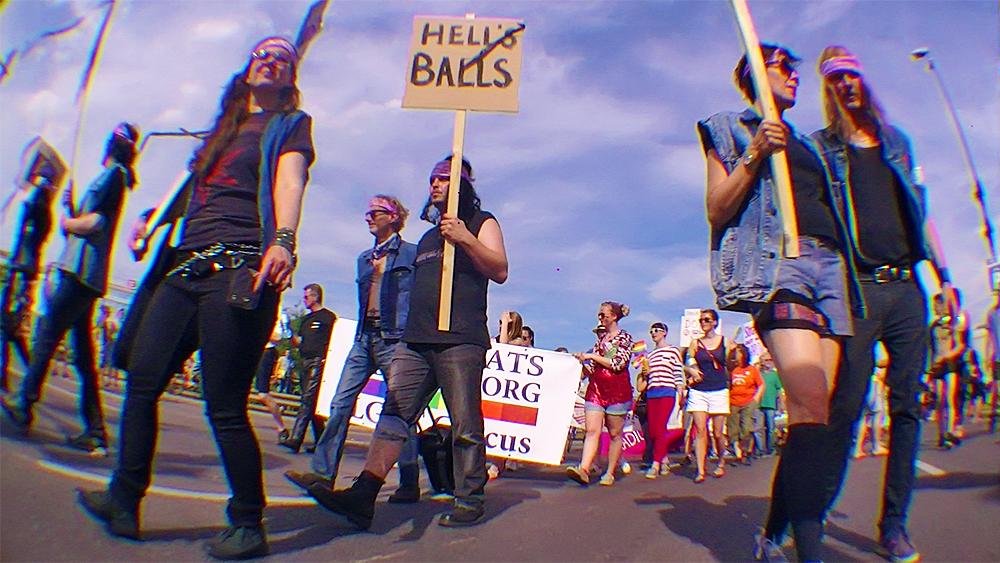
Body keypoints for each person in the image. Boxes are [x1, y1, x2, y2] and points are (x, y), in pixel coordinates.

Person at [76, 36, 314, 560]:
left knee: (224, 404)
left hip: (239, 268)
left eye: (283, 58)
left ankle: (248, 522)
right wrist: (150, 220)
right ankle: (123, 499)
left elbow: (289, 181)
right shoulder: (221, 131)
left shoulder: (288, 125)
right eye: (263, 53)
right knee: (143, 381)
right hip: (183, 268)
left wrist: (283, 240)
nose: (271, 60)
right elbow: (187, 192)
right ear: (247, 69)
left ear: (290, 79)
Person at [698, 43, 860, 562]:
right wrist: (754, 155)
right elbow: (717, 209)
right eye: (781, 66)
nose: (793, 74)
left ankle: (771, 535)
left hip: (830, 271)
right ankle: (809, 553)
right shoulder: (729, 128)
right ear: (753, 74)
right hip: (780, 265)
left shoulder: (812, 146)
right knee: (808, 403)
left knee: (819, 415)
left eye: (795, 67)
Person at [307, 155, 508, 529]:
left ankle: (469, 498)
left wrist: (465, 238)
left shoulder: (482, 222)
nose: (434, 184)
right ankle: (364, 493)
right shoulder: (429, 237)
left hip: (460, 339)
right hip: (416, 340)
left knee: (464, 421)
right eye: (432, 178)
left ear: (462, 184)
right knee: (394, 414)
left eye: (443, 178)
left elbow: (500, 269)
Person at [812, 45, 956, 563]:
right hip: (861, 288)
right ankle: (814, 510)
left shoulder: (897, 143)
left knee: (907, 407)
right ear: (828, 89)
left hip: (908, 290)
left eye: (852, 74)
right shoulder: (824, 149)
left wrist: (943, 276)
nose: (847, 84)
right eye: (836, 78)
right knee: (846, 406)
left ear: (863, 80)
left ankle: (893, 525)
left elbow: (921, 211)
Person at [2, 122, 140, 457]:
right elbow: (87, 223)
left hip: (80, 273)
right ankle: (95, 430)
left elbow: (96, 223)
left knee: (47, 335)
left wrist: (69, 221)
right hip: (87, 274)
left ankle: (25, 403)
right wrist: (71, 209)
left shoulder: (113, 177)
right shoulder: (115, 178)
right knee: (83, 356)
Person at [285, 195, 420, 503]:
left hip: (394, 339)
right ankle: (323, 473)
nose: (368, 217)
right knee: (339, 403)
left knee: (400, 411)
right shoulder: (364, 258)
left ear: (393, 217)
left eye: (375, 212)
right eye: (367, 212)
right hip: (364, 338)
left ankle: (409, 481)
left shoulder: (411, 254)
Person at [1, 149, 61, 391]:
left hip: (21, 269)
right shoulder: (45, 211)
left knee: (9, 325)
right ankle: (21, 372)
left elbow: (26, 234)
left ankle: (26, 372)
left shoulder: (36, 206)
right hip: (26, 269)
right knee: (9, 325)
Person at [567, 301, 634, 487]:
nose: (600, 318)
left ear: (614, 316)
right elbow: (592, 367)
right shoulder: (600, 341)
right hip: (596, 390)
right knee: (592, 430)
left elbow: (618, 363)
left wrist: (591, 356)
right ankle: (584, 468)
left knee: (615, 433)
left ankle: (610, 471)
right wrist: (578, 365)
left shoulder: (625, 338)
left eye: (603, 315)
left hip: (617, 392)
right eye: (599, 315)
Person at [280, 283, 336, 453]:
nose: (304, 300)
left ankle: (296, 438)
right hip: (304, 361)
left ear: (315, 297)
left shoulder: (328, 317)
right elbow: (300, 341)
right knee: (311, 404)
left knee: (307, 400)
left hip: (318, 362)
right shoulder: (306, 319)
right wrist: (289, 332)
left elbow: (334, 340)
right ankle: (322, 442)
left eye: (306, 297)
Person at [683, 309, 731, 483]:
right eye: (701, 320)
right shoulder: (695, 343)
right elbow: (687, 362)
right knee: (701, 430)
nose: (703, 322)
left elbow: (732, 363)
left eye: (707, 319)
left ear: (715, 322)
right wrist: (691, 371)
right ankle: (701, 470)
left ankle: (721, 461)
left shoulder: (725, 341)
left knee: (717, 433)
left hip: (718, 389)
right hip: (699, 390)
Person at [640, 321, 685, 479]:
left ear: (665, 332)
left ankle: (655, 464)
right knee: (654, 430)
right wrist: (645, 372)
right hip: (652, 392)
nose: (654, 333)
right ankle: (664, 459)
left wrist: (680, 390)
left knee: (660, 427)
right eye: (651, 331)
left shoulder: (673, 351)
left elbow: (678, 371)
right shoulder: (649, 355)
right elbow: (646, 376)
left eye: (657, 330)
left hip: (667, 391)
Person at [928, 291, 967, 449]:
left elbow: (960, 345)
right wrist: (929, 368)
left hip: (949, 364)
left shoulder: (953, 324)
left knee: (949, 398)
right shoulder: (933, 326)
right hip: (937, 365)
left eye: (938, 305)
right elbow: (930, 348)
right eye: (934, 305)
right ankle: (941, 432)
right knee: (939, 400)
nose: (935, 308)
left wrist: (946, 355)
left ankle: (950, 431)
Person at [727, 343, 764, 464]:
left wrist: (756, 399)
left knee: (747, 428)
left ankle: (746, 450)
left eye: (738, 352)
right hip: (733, 402)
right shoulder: (732, 369)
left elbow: (761, 385)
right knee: (733, 429)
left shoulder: (752, 369)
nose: (736, 355)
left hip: (748, 402)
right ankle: (739, 454)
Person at [253, 322, 289, 442]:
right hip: (253, 350)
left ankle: (281, 428)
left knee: (263, 394)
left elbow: (278, 337)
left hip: (266, 352)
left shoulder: (279, 315)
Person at [854, 344, 889, 458]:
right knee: (877, 412)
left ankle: (856, 448)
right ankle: (876, 446)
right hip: (873, 379)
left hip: (860, 379)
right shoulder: (876, 343)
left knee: (862, 415)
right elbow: (880, 360)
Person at [757, 352, 783, 456]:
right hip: (758, 405)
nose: (769, 362)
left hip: (771, 405)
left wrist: (781, 405)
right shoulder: (758, 374)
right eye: (766, 360)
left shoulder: (775, 375)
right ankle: (760, 450)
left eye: (770, 360)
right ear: (761, 362)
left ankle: (770, 449)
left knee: (771, 429)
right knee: (757, 429)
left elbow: (779, 391)